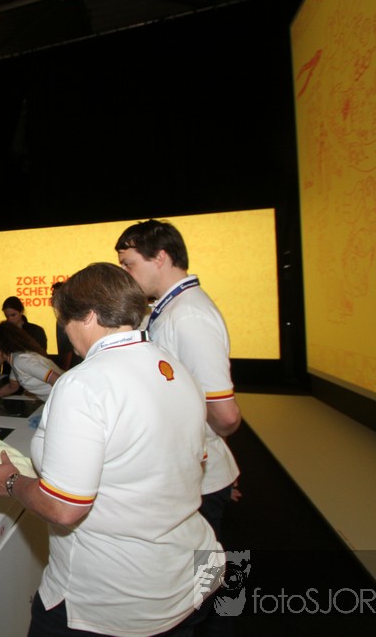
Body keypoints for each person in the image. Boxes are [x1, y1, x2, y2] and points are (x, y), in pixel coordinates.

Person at [0, 263, 223, 636]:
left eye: (65, 321)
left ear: (89, 316)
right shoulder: (175, 368)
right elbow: (188, 464)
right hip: (187, 578)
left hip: (111, 597)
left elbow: (64, 508)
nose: (66, 333)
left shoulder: (84, 384)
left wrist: (12, 481)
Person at [115, 219, 241, 539]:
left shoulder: (188, 315)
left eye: (129, 264)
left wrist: (206, 437)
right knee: (195, 562)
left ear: (160, 257)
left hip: (199, 476)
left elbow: (226, 416)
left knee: (204, 565)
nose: (125, 274)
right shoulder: (171, 309)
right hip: (186, 471)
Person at [0, 322, 63, 401]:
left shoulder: (20, 361)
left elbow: (57, 379)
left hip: (63, 398)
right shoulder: (15, 360)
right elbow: (12, 387)